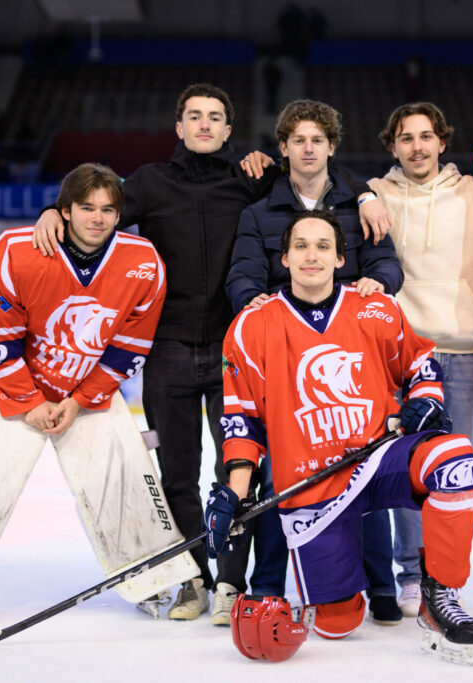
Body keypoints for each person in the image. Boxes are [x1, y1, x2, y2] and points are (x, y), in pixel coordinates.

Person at [30, 84, 391, 622]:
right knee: (176, 474)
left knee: (239, 467)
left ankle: (230, 582)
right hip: (169, 349)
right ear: (178, 128)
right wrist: (51, 211)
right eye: (193, 117)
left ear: (228, 130)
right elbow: (98, 208)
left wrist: (364, 193)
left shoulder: (249, 180)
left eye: (215, 117)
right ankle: (193, 579)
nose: (204, 125)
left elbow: (314, 178)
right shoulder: (150, 183)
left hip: (234, 354)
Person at [0, 163, 197, 626]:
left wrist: (81, 398)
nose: (98, 218)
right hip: (14, 384)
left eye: (108, 209)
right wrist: (28, 400)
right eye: (87, 208)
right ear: (64, 210)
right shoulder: (16, 249)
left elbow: (131, 343)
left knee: (123, 474)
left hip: (84, 389)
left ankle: (151, 577)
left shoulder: (143, 261)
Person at [207, 210, 473, 664]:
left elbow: (420, 365)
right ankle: (334, 595)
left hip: (378, 458)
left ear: (341, 258)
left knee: (454, 458)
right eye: (300, 246)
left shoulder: (375, 308)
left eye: (322, 246)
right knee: (339, 624)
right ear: (284, 259)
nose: (311, 255)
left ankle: (442, 598)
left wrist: (428, 398)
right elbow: (242, 419)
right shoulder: (251, 326)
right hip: (312, 482)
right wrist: (234, 492)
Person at [226, 99, 405, 625]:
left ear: (331, 147)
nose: (307, 149)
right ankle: (266, 584)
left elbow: (386, 263)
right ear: (283, 149)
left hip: (347, 356)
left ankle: (381, 587)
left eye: (317, 140)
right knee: (284, 477)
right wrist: (249, 301)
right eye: (297, 141)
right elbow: (242, 273)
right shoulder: (258, 212)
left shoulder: (357, 205)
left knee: (364, 469)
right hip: (283, 360)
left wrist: (380, 284)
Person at [369, 102, 473, 617]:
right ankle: (412, 573)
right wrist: (361, 193)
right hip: (404, 352)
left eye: (426, 137)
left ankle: (445, 573)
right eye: (406, 138)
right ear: (393, 146)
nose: (417, 147)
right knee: (406, 468)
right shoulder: (377, 194)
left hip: (465, 348)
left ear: (442, 141)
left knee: (454, 468)